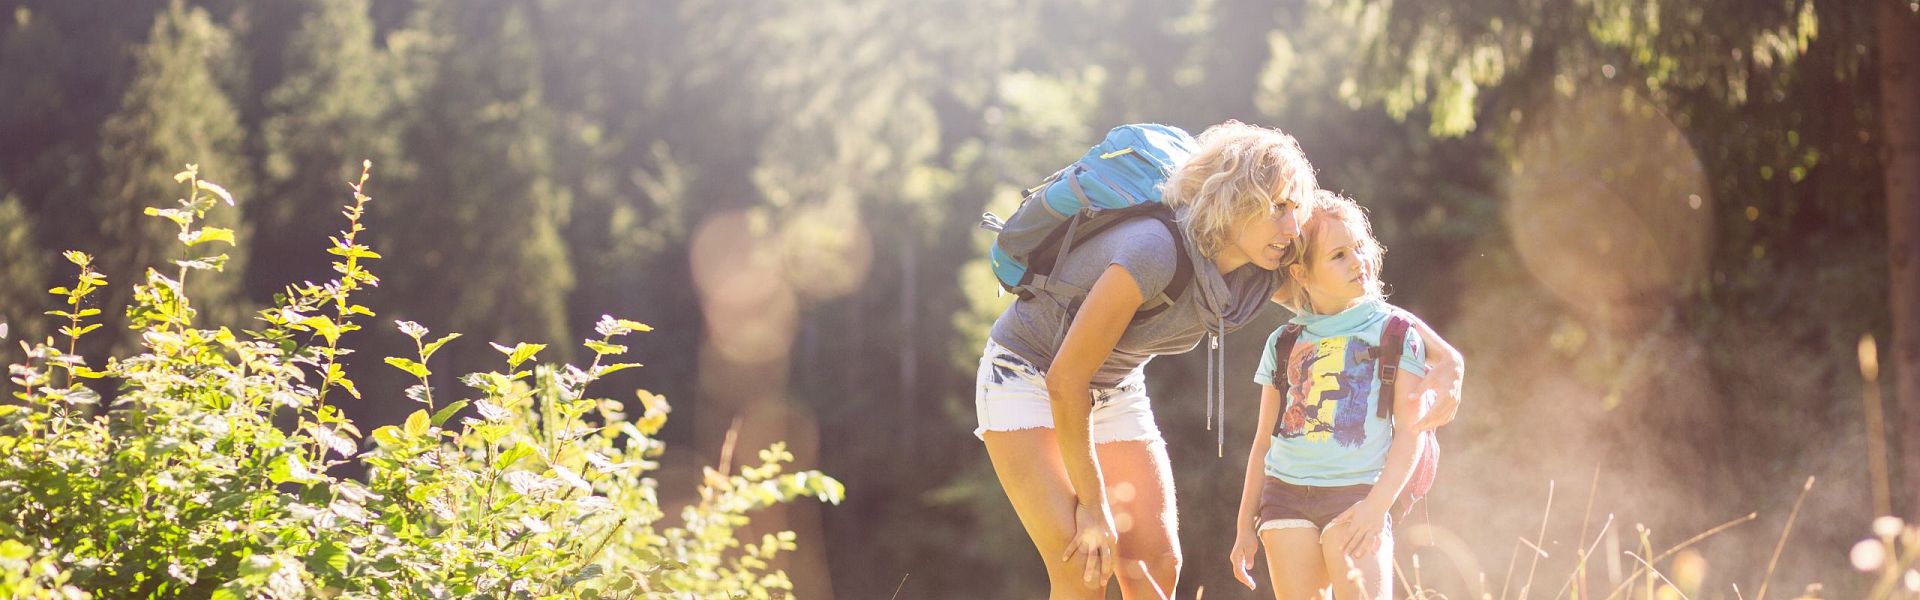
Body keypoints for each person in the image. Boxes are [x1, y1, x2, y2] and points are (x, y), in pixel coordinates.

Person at [975, 121, 1465, 599]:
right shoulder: (1152, 252)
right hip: (1029, 377)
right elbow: (1066, 380)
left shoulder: (1263, 269)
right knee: (1085, 566)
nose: (1291, 226)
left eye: (1295, 208)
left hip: (1116, 385)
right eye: (1277, 208)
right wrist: (1094, 505)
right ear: (1233, 204)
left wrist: (1447, 359)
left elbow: (1350, 307)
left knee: (1156, 565)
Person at [1228, 191, 1443, 599]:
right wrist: (1243, 527)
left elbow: (1410, 434)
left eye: (1359, 248)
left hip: (1358, 496)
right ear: (1301, 273)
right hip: (1283, 499)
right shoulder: (1283, 342)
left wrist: (1377, 506)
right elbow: (1262, 442)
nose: (1358, 261)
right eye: (1338, 255)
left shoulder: (1396, 333)